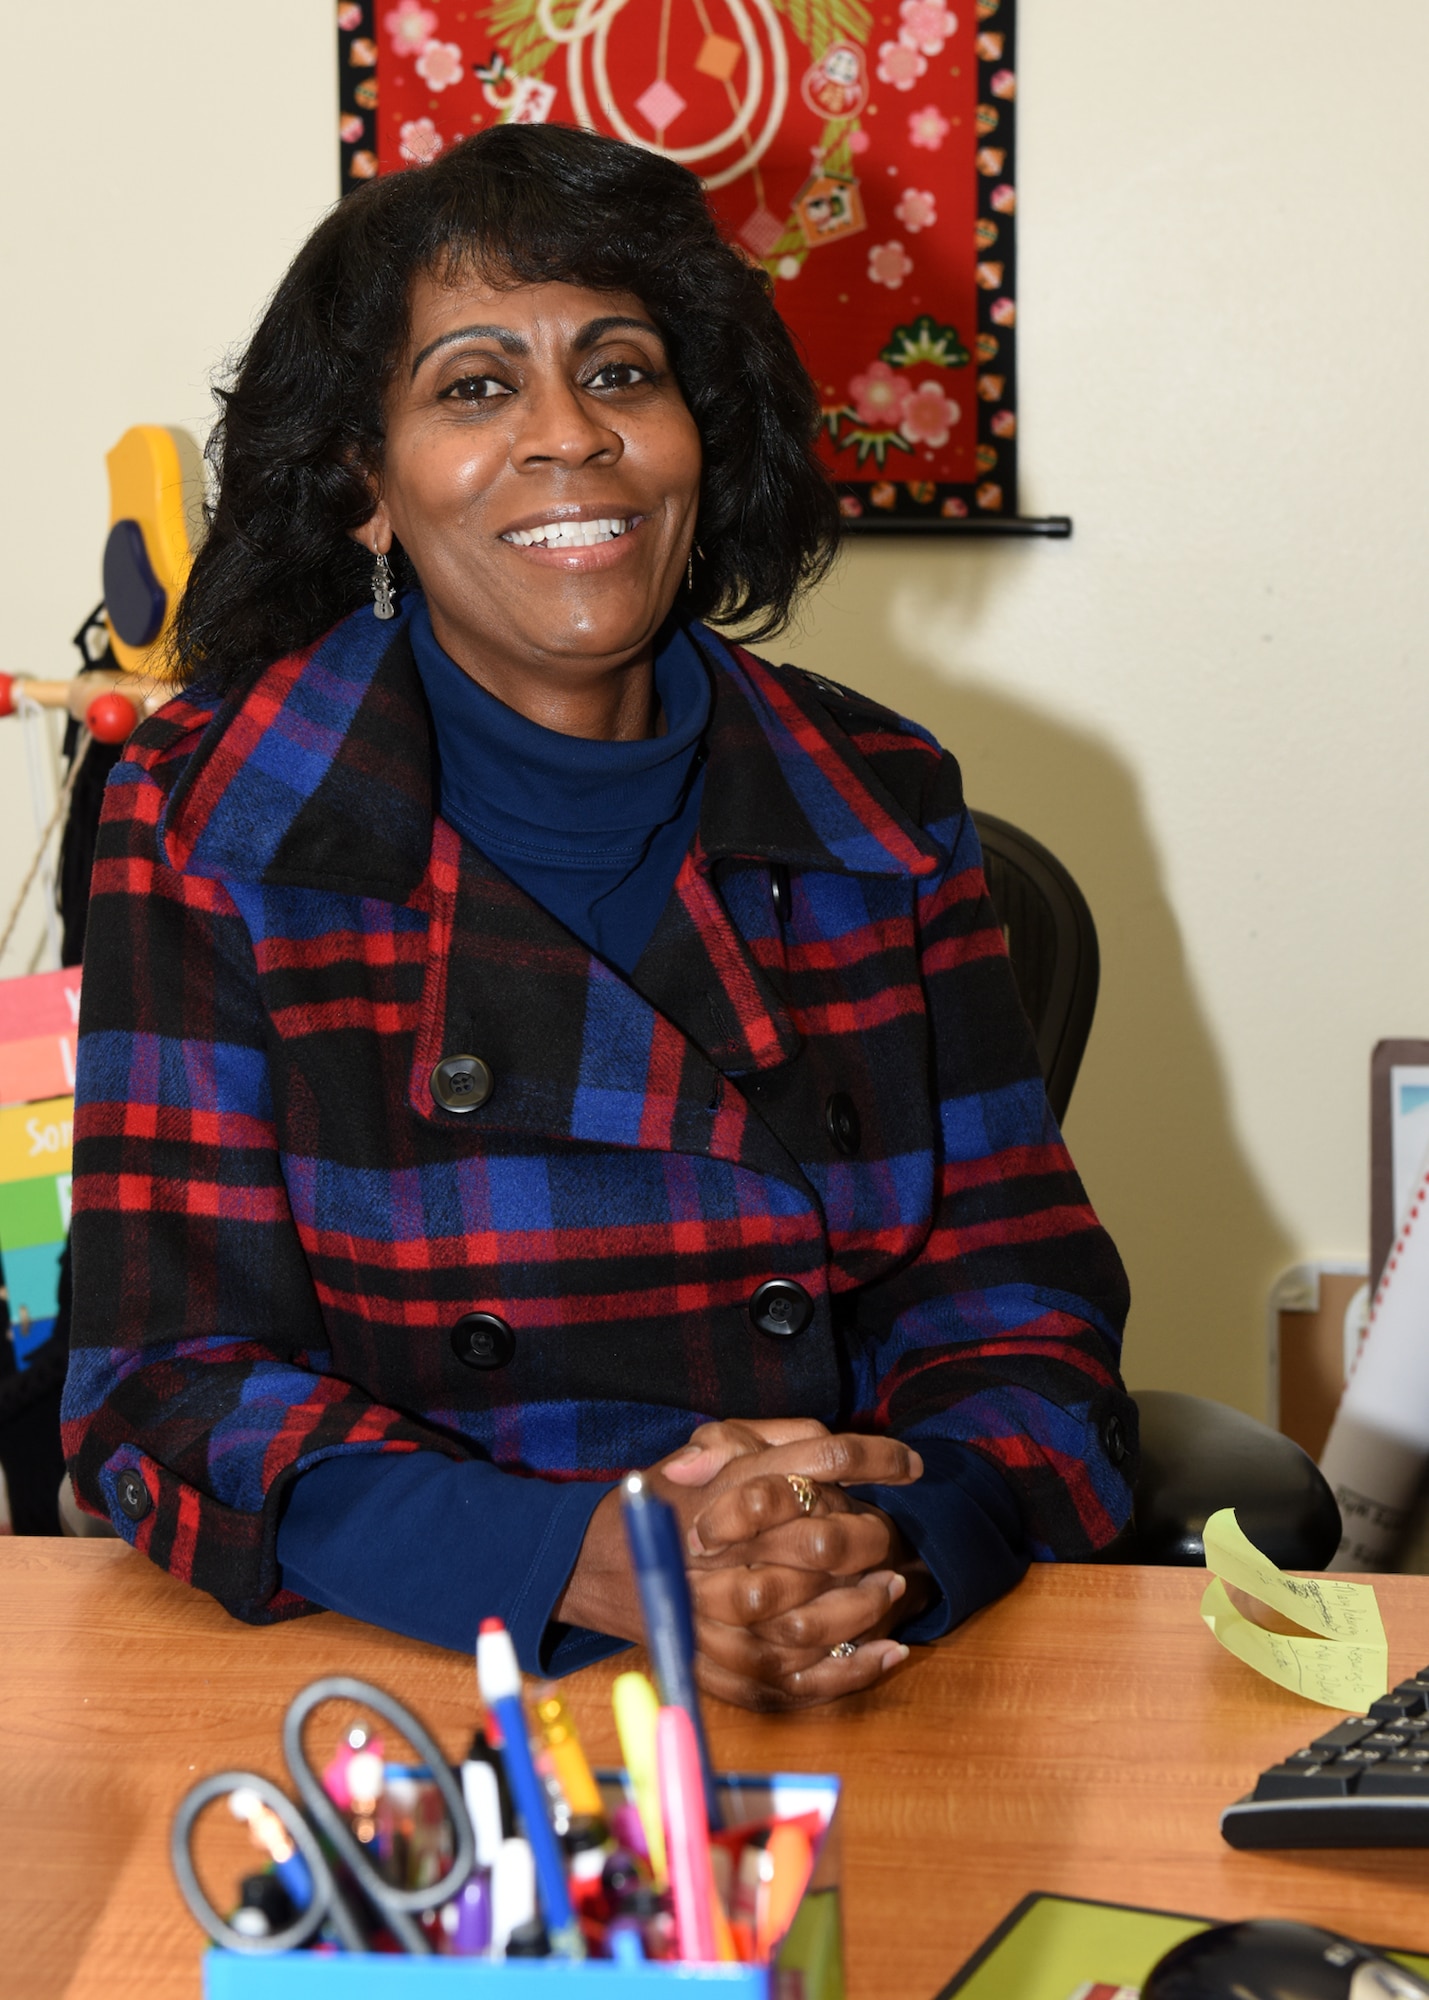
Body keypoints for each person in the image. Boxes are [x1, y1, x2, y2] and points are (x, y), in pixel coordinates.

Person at [61, 124, 1135, 1711]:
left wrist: (885, 1537)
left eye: (623, 372)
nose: (570, 438)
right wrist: (584, 1558)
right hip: (421, 1667)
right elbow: (156, 1381)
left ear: (700, 429)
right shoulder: (207, 813)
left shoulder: (884, 800)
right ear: (366, 482)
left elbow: (1021, 1313)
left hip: (868, 1655)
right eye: (474, 387)